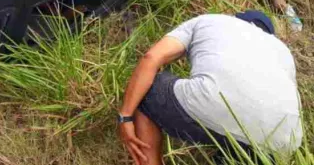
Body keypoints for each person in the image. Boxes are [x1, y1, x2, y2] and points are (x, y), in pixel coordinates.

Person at [119, 11, 302, 165]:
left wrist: (125, 117)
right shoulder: (282, 52)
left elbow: (151, 58)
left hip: (215, 105)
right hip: (285, 143)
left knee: (149, 90)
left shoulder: (212, 21)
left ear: (236, 18)